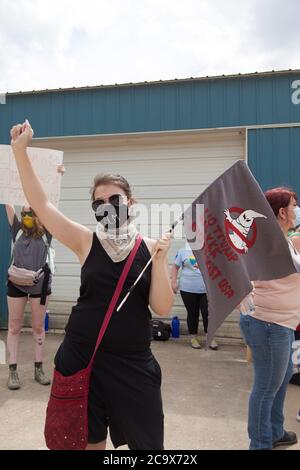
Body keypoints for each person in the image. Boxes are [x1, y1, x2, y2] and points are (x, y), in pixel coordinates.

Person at [9, 120, 174, 450]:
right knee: (88, 444)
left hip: (133, 363)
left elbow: (163, 307)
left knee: (150, 446)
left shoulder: (152, 247)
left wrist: (159, 260)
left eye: (114, 198)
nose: (107, 206)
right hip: (83, 357)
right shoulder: (86, 240)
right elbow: (42, 205)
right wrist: (20, 152)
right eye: (99, 202)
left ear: (131, 201)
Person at [239, 187, 300, 450]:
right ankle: (260, 443)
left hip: (277, 323)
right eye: (294, 205)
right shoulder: (271, 242)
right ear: (283, 212)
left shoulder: (279, 237)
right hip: (269, 324)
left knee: (283, 373)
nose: (297, 210)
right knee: (266, 386)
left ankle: (274, 431)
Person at [5, 164, 65, 390]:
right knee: (14, 327)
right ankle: (13, 371)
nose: (26, 214)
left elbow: (52, 203)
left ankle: (38, 368)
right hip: (16, 284)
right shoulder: (16, 228)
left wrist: (56, 175)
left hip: (40, 285)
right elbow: (7, 199)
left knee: (38, 328)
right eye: (24, 211)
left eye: (30, 211)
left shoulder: (48, 229)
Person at [171, 243, 218, 350]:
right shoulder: (183, 251)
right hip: (187, 289)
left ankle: (210, 338)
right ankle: (193, 338)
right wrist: (173, 282)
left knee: (207, 313)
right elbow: (175, 267)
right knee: (192, 314)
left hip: (206, 290)